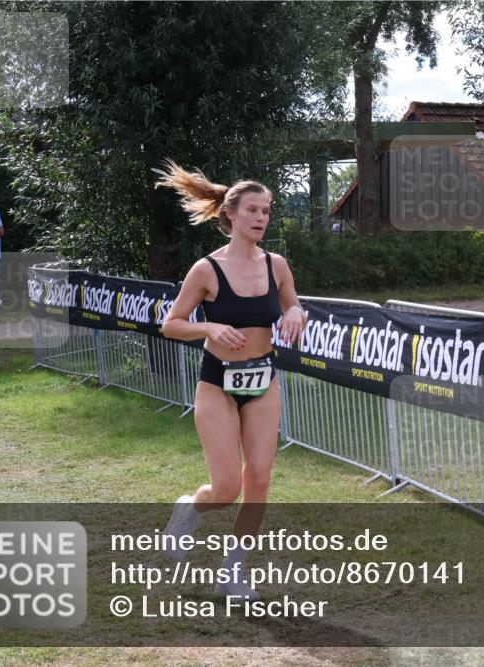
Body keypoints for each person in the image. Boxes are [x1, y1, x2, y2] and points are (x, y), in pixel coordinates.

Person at [153, 159, 307, 601]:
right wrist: (209, 328)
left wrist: (296, 312)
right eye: (254, 210)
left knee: (258, 479)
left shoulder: (276, 265)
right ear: (231, 215)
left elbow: (293, 305)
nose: (262, 218)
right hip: (217, 383)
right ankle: (190, 508)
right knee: (227, 487)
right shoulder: (206, 270)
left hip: (263, 381)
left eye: (267, 211)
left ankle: (232, 573)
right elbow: (172, 324)